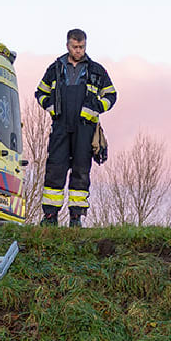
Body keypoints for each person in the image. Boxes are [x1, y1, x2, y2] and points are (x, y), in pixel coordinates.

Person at [34, 29, 117, 227]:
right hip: (61, 126)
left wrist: (94, 109)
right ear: (67, 46)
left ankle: (76, 217)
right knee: (55, 169)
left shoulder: (96, 70)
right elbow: (40, 93)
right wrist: (51, 107)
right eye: (75, 47)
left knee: (81, 171)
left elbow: (111, 95)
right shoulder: (55, 68)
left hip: (85, 128)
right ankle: (49, 217)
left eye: (82, 47)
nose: (79, 50)